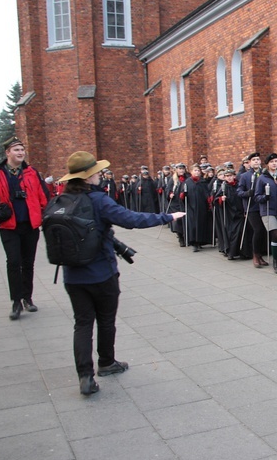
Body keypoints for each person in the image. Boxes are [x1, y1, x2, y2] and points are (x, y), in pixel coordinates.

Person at [56, 151, 185, 395]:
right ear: (89, 176)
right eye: (95, 172)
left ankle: (85, 375)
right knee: (105, 319)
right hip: (101, 272)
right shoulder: (97, 200)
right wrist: (167, 216)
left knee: (82, 324)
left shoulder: (63, 200)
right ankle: (106, 362)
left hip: (73, 274)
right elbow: (130, 219)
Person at [0, 137, 50, 320]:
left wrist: (49, 219)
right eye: (16, 150)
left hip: (30, 225)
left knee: (28, 263)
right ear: (7, 152)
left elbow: (44, 198)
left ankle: (27, 298)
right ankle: (16, 301)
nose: (20, 153)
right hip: (9, 226)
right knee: (14, 262)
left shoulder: (32, 172)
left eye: (22, 150)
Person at [255, 153, 277, 273]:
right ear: (267, 164)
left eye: (276, 161)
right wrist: (265, 197)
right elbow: (257, 196)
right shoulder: (262, 178)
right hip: (268, 210)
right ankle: (276, 262)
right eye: (272, 162)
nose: (274, 164)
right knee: (275, 233)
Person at [237, 152, 268, 267]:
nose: (256, 161)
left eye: (258, 159)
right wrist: (246, 193)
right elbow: (239, 192)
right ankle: (255, 255)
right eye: (253, 160)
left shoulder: (264, 174)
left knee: (263, 231)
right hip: (252, 207)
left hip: (263, 206)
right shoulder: (244, 176)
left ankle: (260, 255)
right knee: (258, 230)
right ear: (249, 163)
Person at [215, 168, 246, 260]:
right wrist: (221, 199)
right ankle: (231, 252)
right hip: (229, 214)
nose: (229, 178)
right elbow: (216, 199)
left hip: (239, 213)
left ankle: (242, 252)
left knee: (240, 232)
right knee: (231, 233)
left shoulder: (238, 186)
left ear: (234, 176)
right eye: (227, 176)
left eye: (230, 176)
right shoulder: (224, 187)